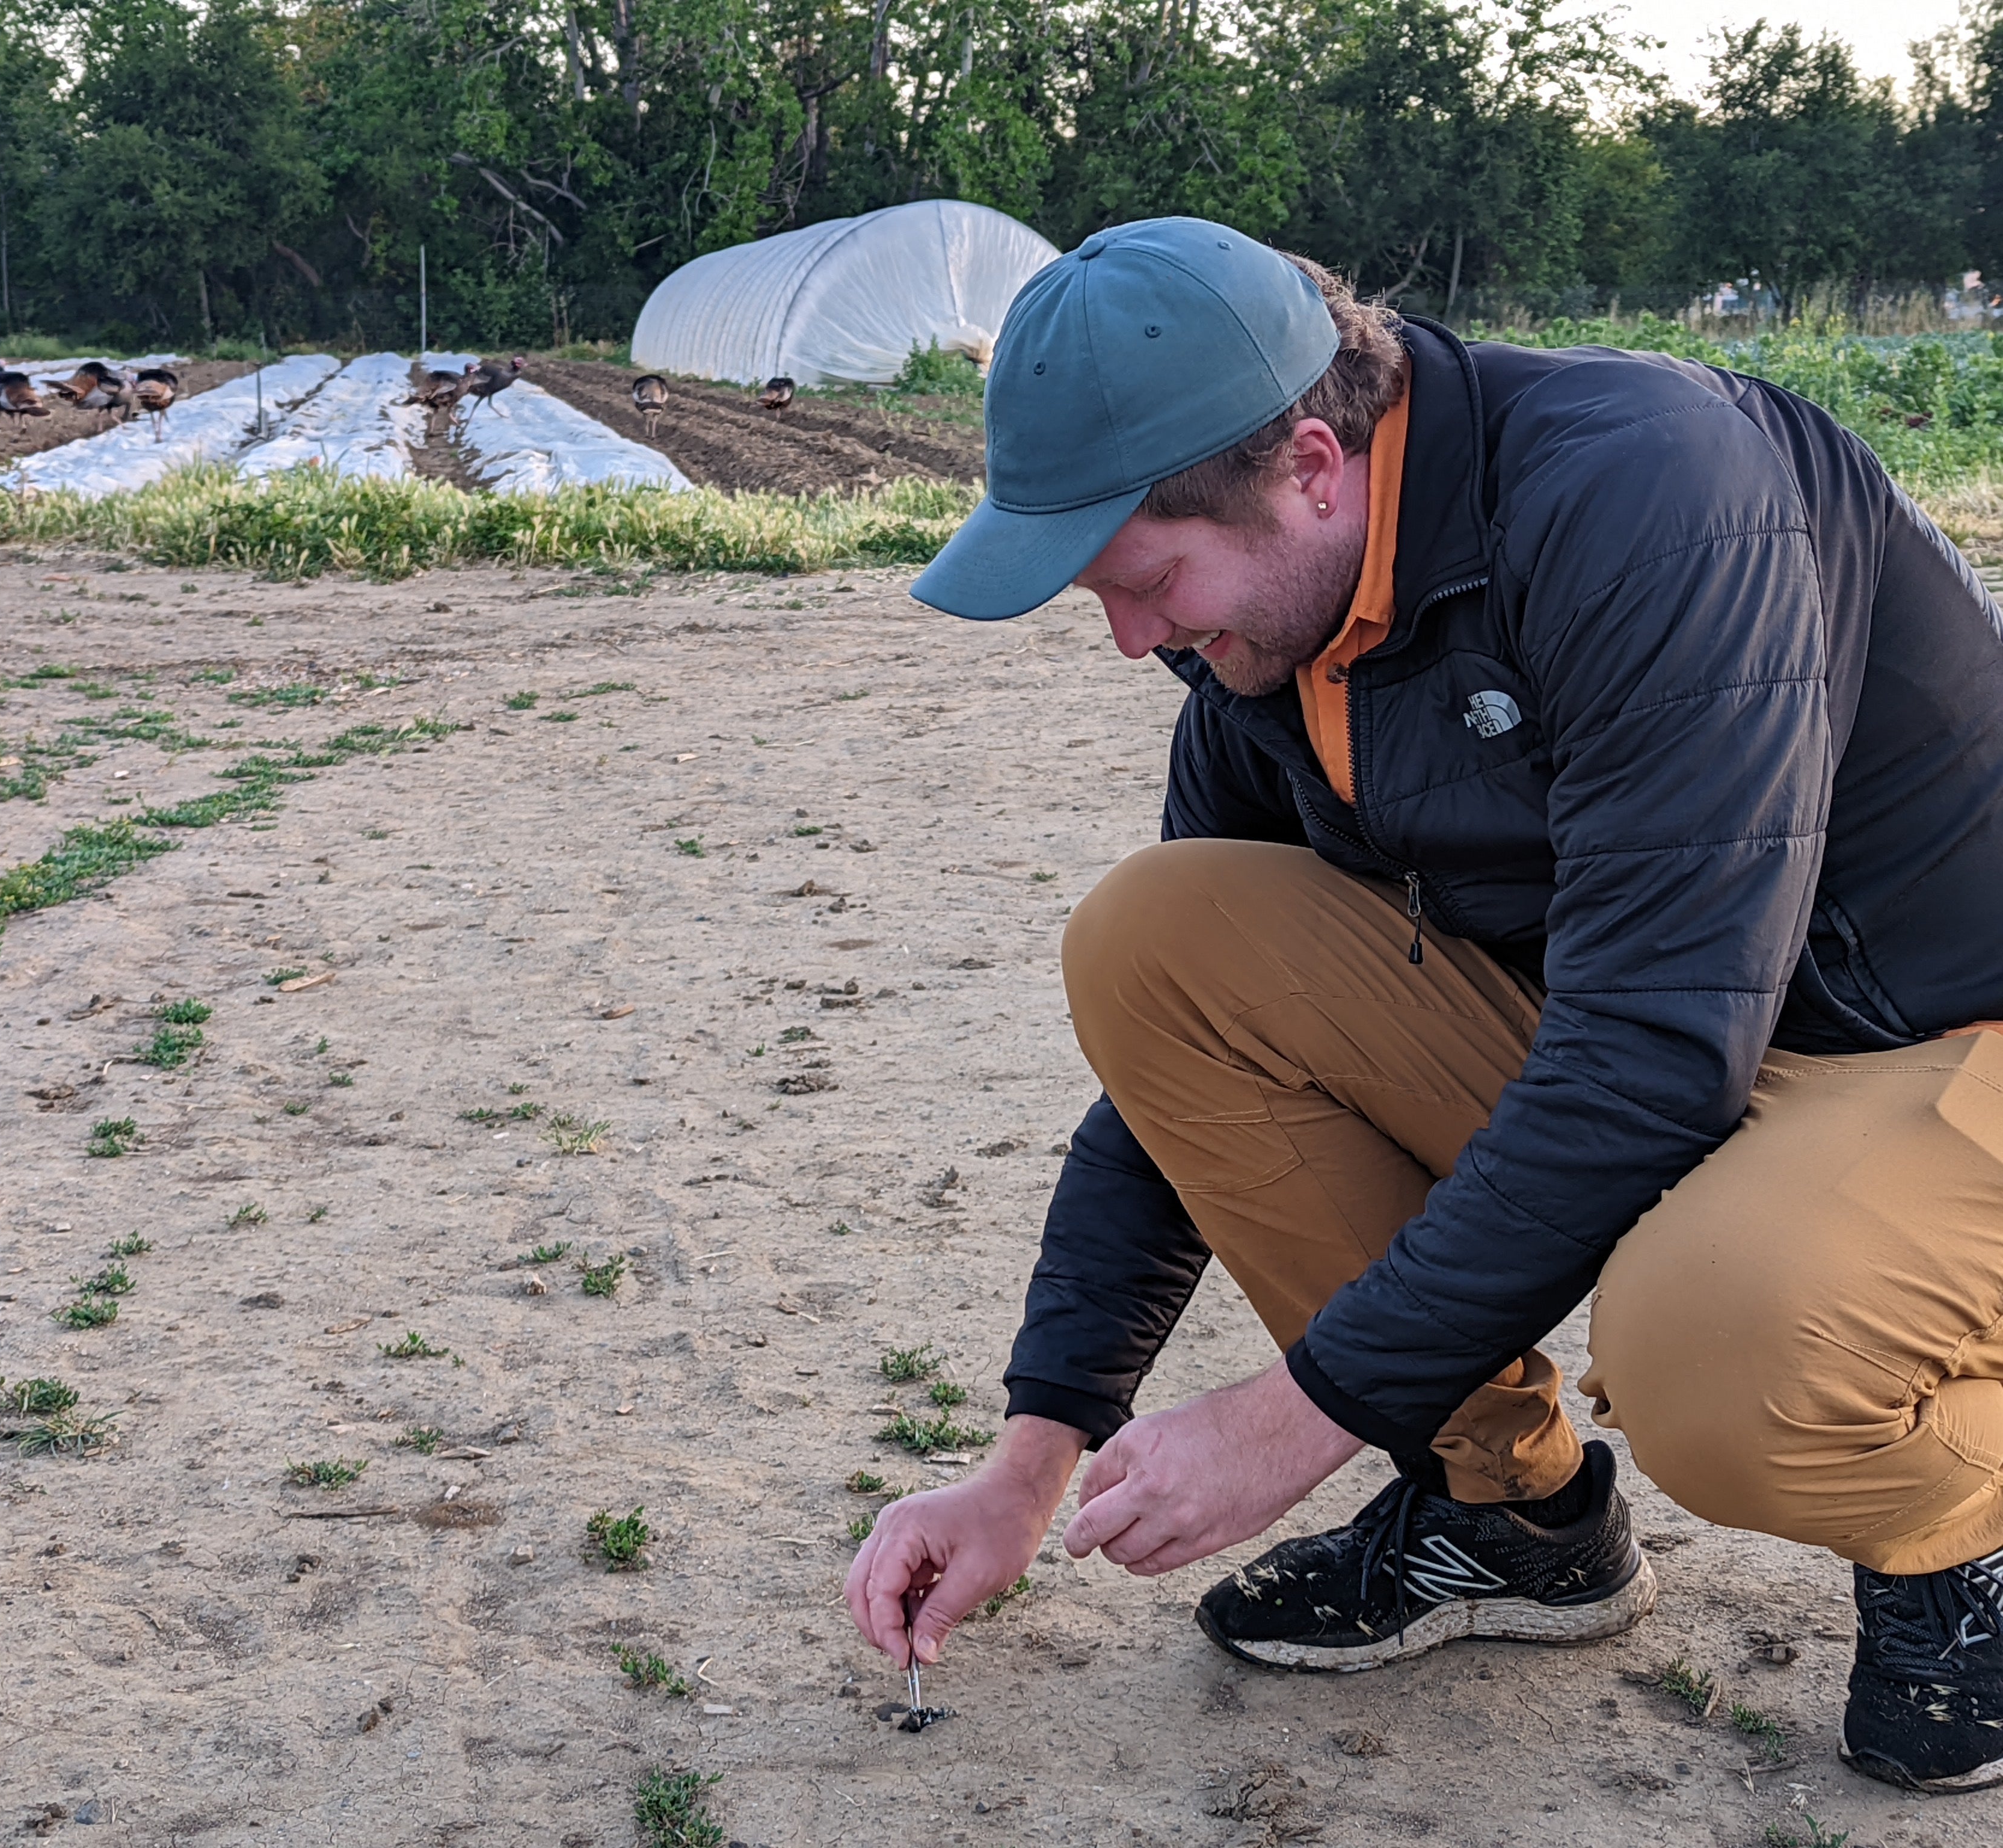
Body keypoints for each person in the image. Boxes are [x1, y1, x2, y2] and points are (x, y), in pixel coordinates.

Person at [846, 217, 2003, 1793]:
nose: (1132, 640)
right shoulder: (1270, 651)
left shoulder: (1651, 492)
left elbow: (1658, 1046)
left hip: (1936, 1040)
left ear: (1313, 466)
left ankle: (1968, 1524)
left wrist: (1293, 1419)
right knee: (1154, 940)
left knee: (1722, 1351)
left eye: (1146, 580)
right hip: (1677, 1037)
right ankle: (1510, 1521)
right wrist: (1029, 1460)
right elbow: (1186, 1077)